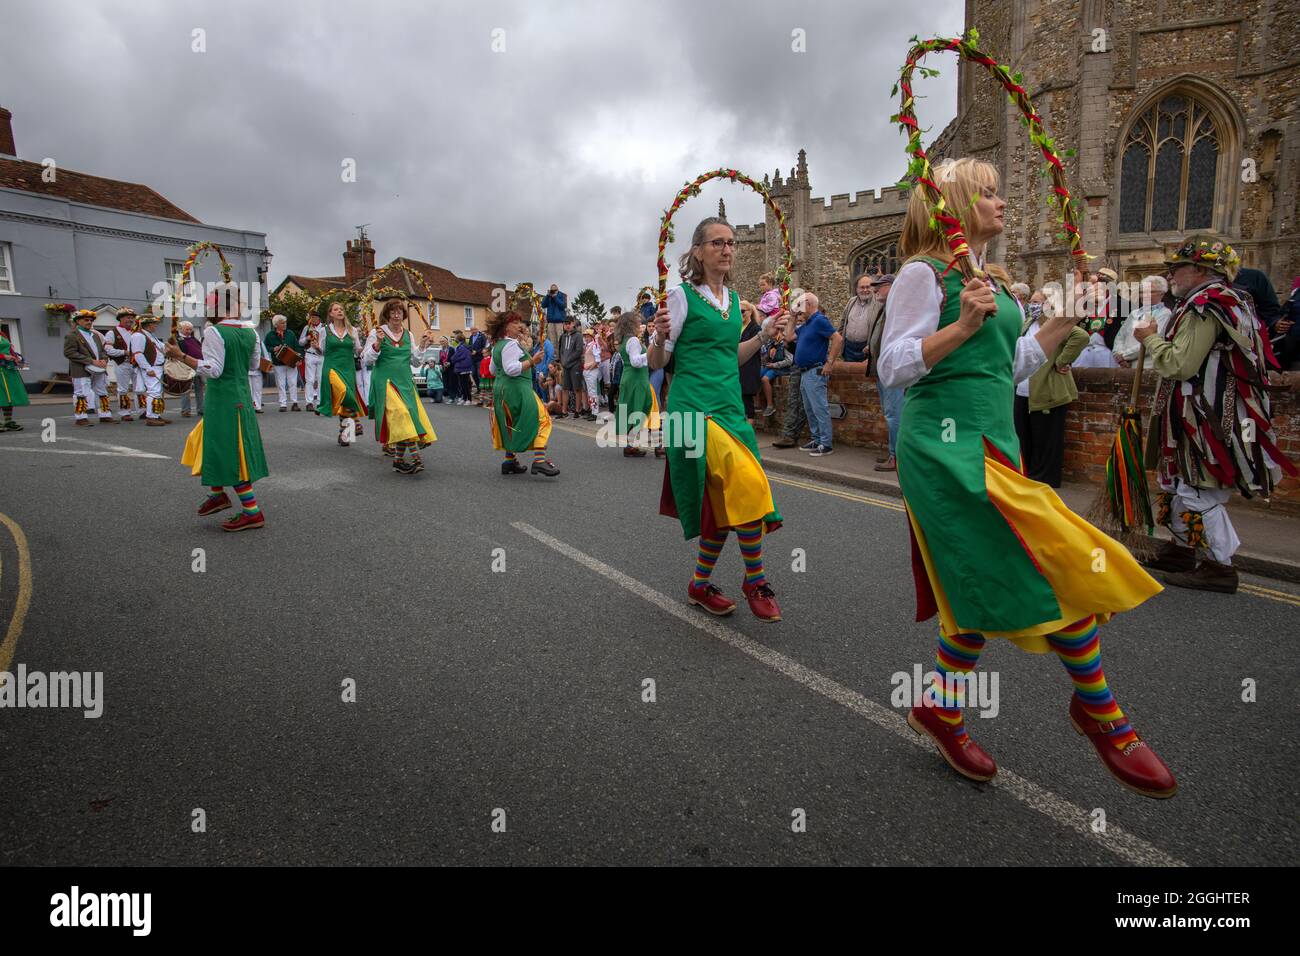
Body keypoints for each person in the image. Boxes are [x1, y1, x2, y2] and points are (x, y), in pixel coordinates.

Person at [878, 156, 1174, 798]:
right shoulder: (922, 274)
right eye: (987, 193)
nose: (1001, 202)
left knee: (984, 578)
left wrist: (1068, 315)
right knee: (1051, 553)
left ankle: (940, 708)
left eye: (999, 192)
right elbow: (892, 366)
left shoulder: (990, 279)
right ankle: (1102, 712)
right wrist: (960, 325)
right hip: (944, 449)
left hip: (995, 440)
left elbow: (1012, 365)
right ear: (953, 205)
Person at [1138, 235, 1297, 593]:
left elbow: (1179, 363)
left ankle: (1219, 567)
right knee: (1181, 482)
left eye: (1177, 267)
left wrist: (1148, 338)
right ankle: (1182, 550)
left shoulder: (1206, 306)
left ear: (1199, 269)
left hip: (1205, 416)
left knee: (1199, 487)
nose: (1171, 274)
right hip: (1204, 412)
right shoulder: (1228, 301)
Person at [649, 216, 787, 623]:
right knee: (746, 482)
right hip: (693, 412)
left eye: (731, 243)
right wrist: (657, 338)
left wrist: (762, 336)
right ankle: (755, 579)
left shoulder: (734, 300)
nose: (727, 249)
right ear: (698, 251)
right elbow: (660, 363)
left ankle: (699, 584)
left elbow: (732, 357)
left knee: (724, 506)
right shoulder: (679, 296)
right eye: (717, 243)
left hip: (730, 409)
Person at [168, 283, 269, 532]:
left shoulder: (214, 332)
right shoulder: (251, 332)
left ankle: (252, 511)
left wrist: (180, 356)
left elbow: (214, 370)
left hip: (223, 398)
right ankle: (217, 493)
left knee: (232, 453)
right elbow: (255, 364)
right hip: (241, 397)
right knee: (203, 439)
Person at [1013, 298, 1088, 487]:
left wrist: (1062, 361)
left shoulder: (1054, 325)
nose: (1034, 305)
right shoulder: (1028, 322)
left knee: (1047, 438)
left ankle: (1045, 480)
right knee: (1024, 436)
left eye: (1038, 301)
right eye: (1032, 301)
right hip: (1023, 390)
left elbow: (1081, 337)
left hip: (1048, 389)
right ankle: (1027, 476)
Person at [364, 299, 437, 475]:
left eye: (400, 312)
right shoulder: (377, 332)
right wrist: (378, 344)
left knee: (407, 418)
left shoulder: (408, 334)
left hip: (405, 381)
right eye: (393, 311)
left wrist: (423, 345)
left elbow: (415, 361)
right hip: (385, 382)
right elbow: (367, 360)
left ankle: (398, 461)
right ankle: (416, 458)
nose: (397, 315)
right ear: (387, 314)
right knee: (402, 416)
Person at [487, 310, 559, 476]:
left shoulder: (497, 345)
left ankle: (509, 461)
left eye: (519, 322)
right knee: (543, 419)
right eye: (514, 323)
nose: (519, 325)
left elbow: (493, 370)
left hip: (502, 390)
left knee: (512, 423)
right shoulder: (511, 344)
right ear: (505, 327)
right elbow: (511, 370)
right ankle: (539, 461)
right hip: (517, 389)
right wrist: (533, 361)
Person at [785, 291, 840, 457]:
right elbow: (788, 336)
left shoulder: (819, 320)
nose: (799, 308)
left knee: (819, 408)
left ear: (809, 304)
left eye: (801, 304)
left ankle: (826, 443)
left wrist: (830, 363)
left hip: (815, 371)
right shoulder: (808, 323)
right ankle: (817, 439)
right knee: (810, 409)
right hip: (805, 372)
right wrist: (793, 317)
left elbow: (838, 339)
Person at [317, 300, 367, 445]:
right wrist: (315, 347)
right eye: (336, 309)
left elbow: (358, 350)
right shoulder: (324, 330)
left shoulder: (352, 330)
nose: (340, 311)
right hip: (332, 367)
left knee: (344, 400)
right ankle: (356, 422)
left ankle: (344, 434)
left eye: (341, 309)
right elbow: (322, 351)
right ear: (330, 313)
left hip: (348, 367)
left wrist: (368, 345)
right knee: (344, 392)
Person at [613, 311, 659, 457]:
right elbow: (635, 361)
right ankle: (632, 445)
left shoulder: (625, 339)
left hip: (629, 378)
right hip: (636, 379)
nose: (641, 324)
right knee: (639, 409)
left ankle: (630, 445)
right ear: (631, 324)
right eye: (638, 322)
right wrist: (651, 353)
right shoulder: (632, 340)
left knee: (632, 410)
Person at [867, 274, 901, 470]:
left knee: (893, 414)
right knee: (890, 413)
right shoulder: (886, 308)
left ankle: (896, 457)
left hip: (892, 370)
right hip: (883, 370)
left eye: (880, 286)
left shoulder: (895, 307)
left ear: (891, 286)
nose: (875, 289)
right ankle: (892, 453)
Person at [770, 291, 809, 448]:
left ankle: (795, 435)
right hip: (796, 366)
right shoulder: (796, 323)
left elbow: (791, 339)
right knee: (794, 401)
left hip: (808, 367)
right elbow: (787, 340)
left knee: (804, 403)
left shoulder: (812, 322)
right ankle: (789, 435)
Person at [64, 309, 113, 426]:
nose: (89, 322)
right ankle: (81, 418)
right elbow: (69, 353)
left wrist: (103, 360)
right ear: (78, 321)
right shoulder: (72, 335)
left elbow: (102, 351)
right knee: (81, 392)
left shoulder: (95, 335)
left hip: (98, 368)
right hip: (81, 368)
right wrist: (91, 361)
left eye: (91, 320)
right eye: (86, 320)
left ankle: (105, 415)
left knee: (102, 391)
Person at [1112, 276, 1172, 367]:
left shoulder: (1165, 314)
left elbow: (1154, 340)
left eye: (1150, 292)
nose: (1144, 295)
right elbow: (1120, 337)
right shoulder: (1134, 313)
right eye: (1142, 292)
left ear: (1162, 293)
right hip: (1124, 365)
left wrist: (1125, 356)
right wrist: (1118, 355)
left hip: (1145, 365)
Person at [131, 313, 168, 426]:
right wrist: (148, 368)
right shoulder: (138, 336)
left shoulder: (151, 336)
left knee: (158, 392)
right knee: (154, 392)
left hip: (157, 367)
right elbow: (137, 354)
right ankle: (151, 417)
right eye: (154, 324)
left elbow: (163, 347)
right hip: (151, 367)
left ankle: (156, 415)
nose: (156, 326)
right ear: (147, 324)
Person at [102, 307, 137, 421]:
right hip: (122, 363)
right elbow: (108, 350)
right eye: (128, 317)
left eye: (132, 318)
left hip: (136, 364)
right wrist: (124, 352)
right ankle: (125, 412)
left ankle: (143, 410)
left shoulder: (136, 332)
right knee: (123, 389)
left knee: (140, 388)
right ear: (120, 319)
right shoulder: (112, 332)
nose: (130, 320)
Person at [265, 314, 301, 412]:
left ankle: (295, 403)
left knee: (293, 383)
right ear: (276, 325)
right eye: (282, 323)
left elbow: (296, 346)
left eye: (285, 322)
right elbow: (266, 346)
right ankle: (283, 404)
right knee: (281, 384)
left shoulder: (290, 333)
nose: (285, 324)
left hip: (291, 362)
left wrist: (298, 357)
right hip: (278, 363)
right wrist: (273, 349)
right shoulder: (270, 335)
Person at [758, 316, 791, 417]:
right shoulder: (772, 342)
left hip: (782, 368)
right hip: (772, 366)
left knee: (764, 379)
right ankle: (757, 403)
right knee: (755, 375)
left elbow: (789, 361)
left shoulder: (785, 342)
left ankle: (770, 405)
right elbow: (766, 356)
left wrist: (775, 365)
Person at [840, 273, 875, 363]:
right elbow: (843, 322)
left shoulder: (878, 304)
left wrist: (872, 345)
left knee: (864, 376)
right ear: (856, 289)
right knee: (848, 374)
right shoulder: (851, 301)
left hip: (866, 349)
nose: (865, 290)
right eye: (862, 287)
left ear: (873, 288)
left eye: (868, 287)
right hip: (849, 348)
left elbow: (881, 329)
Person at [0, 329, 30, 430]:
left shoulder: (2, 334)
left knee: (10, 396)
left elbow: (10, 350)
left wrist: (16, 358)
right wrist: (3, 356)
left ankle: (8, 421)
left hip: (8, 369)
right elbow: (4, 354)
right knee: (1, 395)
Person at [738, 300, 763, 423]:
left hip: (749, 368)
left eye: (742, 311)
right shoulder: (737, 327)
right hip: (737, 368)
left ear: (750, 312)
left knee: (747, 402)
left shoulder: (755, 328)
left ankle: (749, 434)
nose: (740, 314)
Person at [558, 316, 587, 419]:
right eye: (565, 324)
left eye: (569, 323)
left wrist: (568, 360)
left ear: (573, 324)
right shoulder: (563, 336)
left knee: (577, 388)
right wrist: (562, 362)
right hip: (565, 366)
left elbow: (579, 351)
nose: (567, 325)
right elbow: (561, 351)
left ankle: (577, 410)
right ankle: (564, 411)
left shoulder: (578, 336)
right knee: (565, 388)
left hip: (575, 365)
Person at [178, 321, 205, 418]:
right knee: (186, 389)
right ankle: (185, 410)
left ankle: (201, 409)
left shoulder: (194, 339)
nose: (189, 331)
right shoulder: (178, 339)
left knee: (200, 389)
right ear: (181, 329)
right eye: (187, 329)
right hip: (186, 367)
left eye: (190, 329)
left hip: (198, 366)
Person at [298, 312, 325, 412]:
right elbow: (300, 342)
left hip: (321, 354)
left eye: (314, 317)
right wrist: (307, 338)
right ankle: (309, 402)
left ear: (319, 318)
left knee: (320, 379)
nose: (313, 319)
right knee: (309, 379)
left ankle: (319, 402)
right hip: (310, 354)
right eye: (311, 317)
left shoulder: (324, 327)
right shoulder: (307, 328)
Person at [450, 331, 474, 406]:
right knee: (462, 384)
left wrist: (453, 358)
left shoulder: (462, 347)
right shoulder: (462, 346)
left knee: (465, 384)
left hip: (463, 367)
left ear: (458, 339)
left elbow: (456, 357)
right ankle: (464, 398)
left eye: (455, 338)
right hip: (462, 367)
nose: (454, 339)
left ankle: (468, 399)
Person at [581, 326, 601, 416]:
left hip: (591, 371)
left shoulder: (594, 345)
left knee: (592, 392)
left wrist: (590, 368)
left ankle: (595, 412)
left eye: (587, 336)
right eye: (585, 336)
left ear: (591, 337)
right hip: (588, 370)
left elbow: (598, 360)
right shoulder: (588, 345)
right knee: (590, 392)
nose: (586, 338)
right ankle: (593, 411)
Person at [249, 334, 271, 413]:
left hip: (258, 369)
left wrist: (267, 365)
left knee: (257, 389)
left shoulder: (260, 343)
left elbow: (265, 354)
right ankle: (250, 407)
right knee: (249, 390)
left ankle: (257, 406)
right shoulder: (244, 342)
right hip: (247, 370)